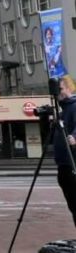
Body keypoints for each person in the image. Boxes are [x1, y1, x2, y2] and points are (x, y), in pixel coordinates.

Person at [53, 75, 76, 227]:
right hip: (63, 165)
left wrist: (75, 137)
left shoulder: (74, 106)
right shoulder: (62, 110)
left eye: (60, 89)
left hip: (73, 164)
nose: (58, 93)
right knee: (73, 207)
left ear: (69, 88)